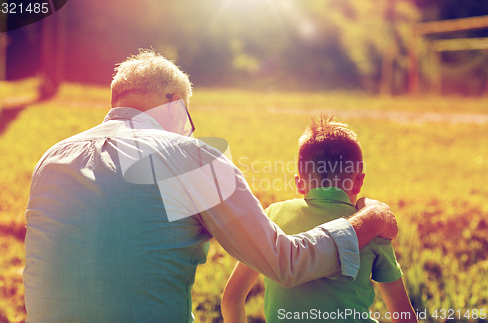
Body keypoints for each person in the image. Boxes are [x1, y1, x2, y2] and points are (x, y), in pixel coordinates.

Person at [24, 49, 398, 323]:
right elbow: (286, 263)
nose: (189, 130)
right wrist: (371, 218)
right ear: (173, 103)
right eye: (188, 118)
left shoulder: (52, 159)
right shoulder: (191, 157)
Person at [222, 115, 417, 323]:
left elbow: (232, 298)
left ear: (299, 183)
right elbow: (404, 316)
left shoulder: (273, 217)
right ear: (359, 182)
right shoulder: (373, 230)